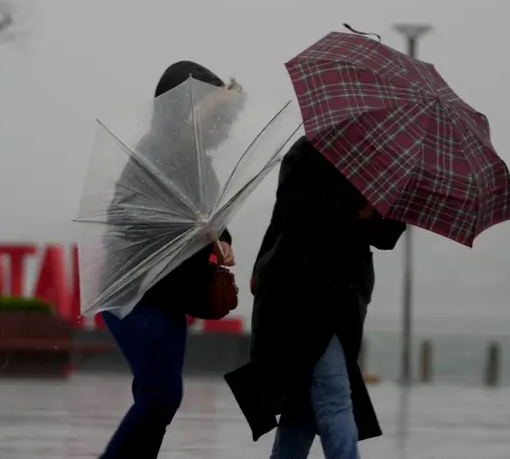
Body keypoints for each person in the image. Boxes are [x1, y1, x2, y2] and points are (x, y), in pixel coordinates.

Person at [225, 135, 406, 459]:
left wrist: (378, 213)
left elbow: (388, 235)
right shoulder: (308, 152)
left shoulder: (381, 164)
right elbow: (299, 219)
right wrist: (355, 212)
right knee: (334, 397)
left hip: (346, 300)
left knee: (302, 406)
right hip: (301, 296)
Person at [98, 61, 241, 459]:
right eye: (207, 108)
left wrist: (221, 240)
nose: (219, 124)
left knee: (158, 399)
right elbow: (125, 215)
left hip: (171, 294)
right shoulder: (155, 152)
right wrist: (190, 228)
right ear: (183, 106)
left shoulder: (201, 161)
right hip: (136, 291)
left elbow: (212, 218)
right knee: (161, 395)